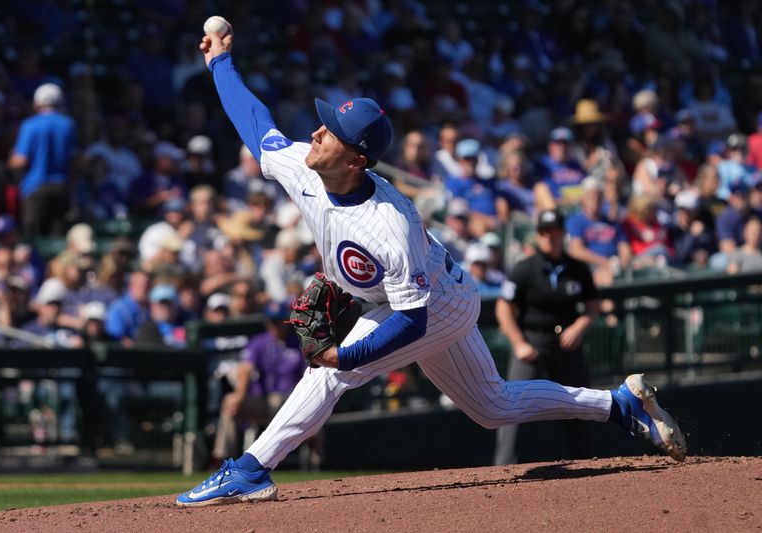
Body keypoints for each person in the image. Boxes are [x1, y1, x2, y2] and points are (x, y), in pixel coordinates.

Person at [177, 24, 687, 507]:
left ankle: (250, 469)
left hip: (432, 303)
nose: (316, 132)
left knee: (330, 372)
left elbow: (411, 319)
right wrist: (221, 61)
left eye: (330, 131)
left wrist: (346, 359)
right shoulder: (304, 168)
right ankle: (619, 405)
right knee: (494, 408)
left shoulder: (388, 224)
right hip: (429, 293)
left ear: (356, 159)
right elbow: (255, 124)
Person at [494, 209, 599, 465]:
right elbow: (504, 306)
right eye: (544, 232)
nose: (549, 237)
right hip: (532, 342)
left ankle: (587, 464)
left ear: (563, 234)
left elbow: (593, 305)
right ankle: (504, 468)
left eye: (555, 232)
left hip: (566, 344)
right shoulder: (525, 268)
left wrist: (579, 327)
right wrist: (518, 343)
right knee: (512, 405)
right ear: (538, 235)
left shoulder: (578, 269)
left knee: (579, 403)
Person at [211, 301, 307, 466]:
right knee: (230, 402)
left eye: (278, 321)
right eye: (271, 321)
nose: (274, 326)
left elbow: (308, 375)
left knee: (285, 402)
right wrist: (239, 396)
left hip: (291, 401)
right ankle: (224, 460)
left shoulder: (298, 342)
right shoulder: (259, 342)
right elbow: (246, 369)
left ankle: (318, 465)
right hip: (264, 399)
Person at [8, 83, 76, 236]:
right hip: (61, 188)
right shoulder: (68, 124)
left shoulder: (30, 125)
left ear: (37, 103)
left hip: (35, 188)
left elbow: (20, 161)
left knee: (33, 241)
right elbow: (73, 158)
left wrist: (10, 159)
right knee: (56, 240)